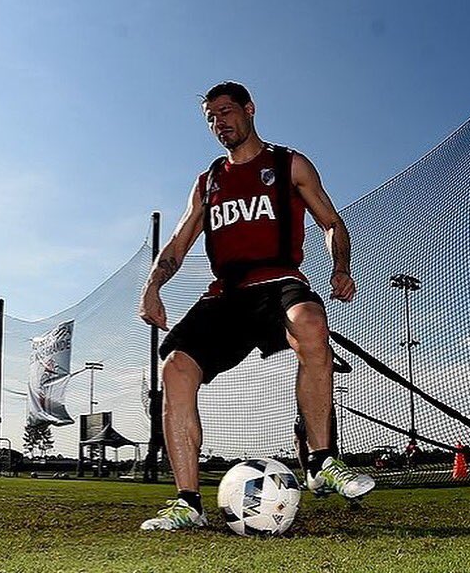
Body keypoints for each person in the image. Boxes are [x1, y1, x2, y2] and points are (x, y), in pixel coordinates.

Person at [138, 81, 374, 531]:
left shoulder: (289, 164)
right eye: (210, 117)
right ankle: (189, 502)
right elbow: (180, 242)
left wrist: (340, 266)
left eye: (225, 111)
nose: (218, 122)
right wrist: (152, 287)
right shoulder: (209, 182)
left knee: (310, 322)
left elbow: (332, 222)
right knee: (176, 369)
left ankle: (323, 462)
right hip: (228, 293)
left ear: (249, 110)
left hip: (280, 280)